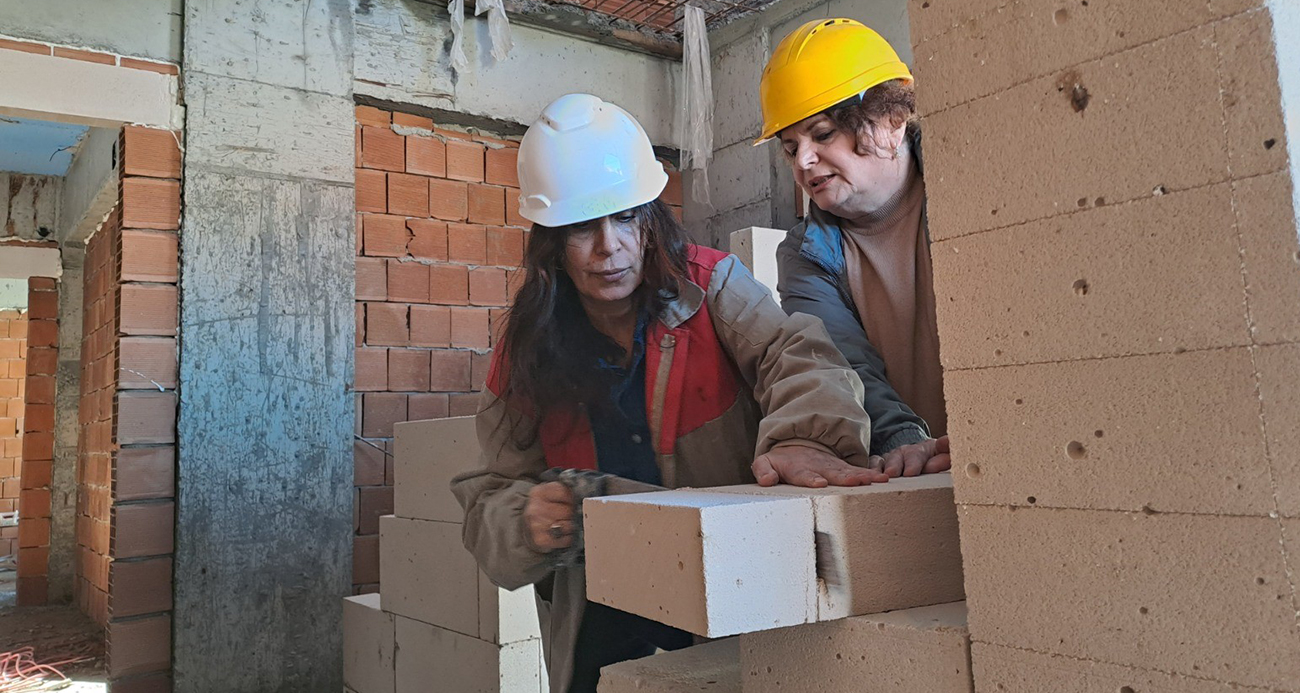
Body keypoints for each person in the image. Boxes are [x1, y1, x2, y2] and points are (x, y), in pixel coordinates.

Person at [450, 93, 889, 693]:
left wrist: (808, 438)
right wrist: (525, 523)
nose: (610, 247)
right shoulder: (525, 355)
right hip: (597, 635)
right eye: (583, 227)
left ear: (651, 218)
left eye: (626, 217)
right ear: (550, 242)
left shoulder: (713, 288)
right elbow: (486, 502)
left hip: (729, 617)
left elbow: (799, 357)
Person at [757, 18, 951, 478]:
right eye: (790, 147)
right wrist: (906, 442)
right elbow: (845, 363)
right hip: (913, 470)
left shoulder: (967, 191)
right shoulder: (805, 255)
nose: (803, 161)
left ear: (891, 120)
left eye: (822, 134)